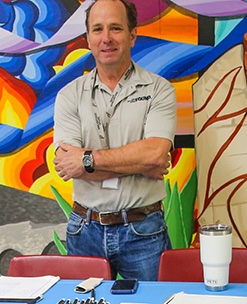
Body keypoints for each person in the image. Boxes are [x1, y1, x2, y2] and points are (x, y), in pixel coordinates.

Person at [53, 0, 177, 280]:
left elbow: (155, 155)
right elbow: (68, 165)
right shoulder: (69, 95)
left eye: (116, 28)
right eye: (98, 29)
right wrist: (140, 164)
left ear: (132, 35)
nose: (106, 38)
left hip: (142, 230)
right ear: (88, 39)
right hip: (84, 230)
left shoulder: (159, 90)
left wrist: (86, 160)